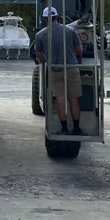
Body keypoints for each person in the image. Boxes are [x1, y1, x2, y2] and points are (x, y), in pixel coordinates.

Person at [34, 7, 83, 135]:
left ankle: (64, 128)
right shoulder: (70, 31)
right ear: (57, 17)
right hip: (72, 68)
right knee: (73, 99)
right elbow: (79, 51)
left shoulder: (40, 35)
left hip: (55, 69)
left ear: (44, 19)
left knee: (60, 98)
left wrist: (46, 62)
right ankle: (77, 128)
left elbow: (39, 54)